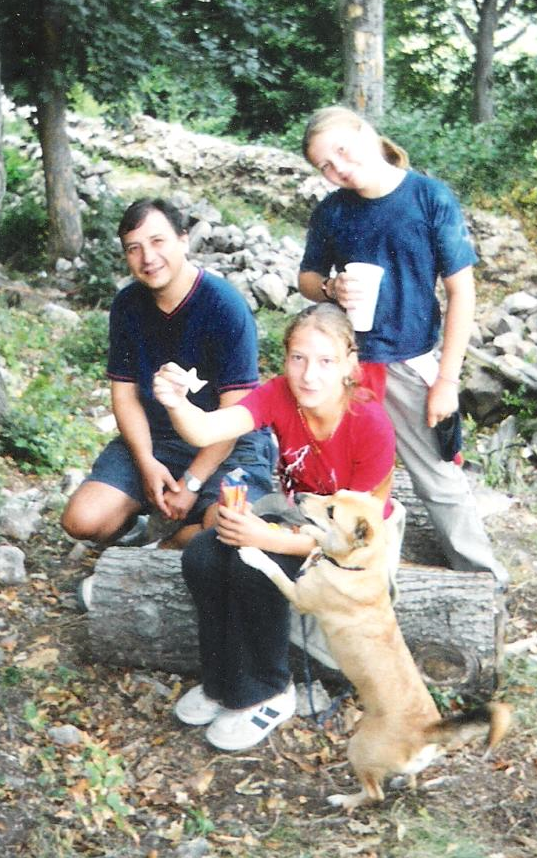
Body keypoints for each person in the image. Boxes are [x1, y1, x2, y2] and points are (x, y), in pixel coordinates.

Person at [152, 303, 396, 751]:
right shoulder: (281, 394)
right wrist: (176, 403)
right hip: (298, 517)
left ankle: (269, 690)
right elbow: (207, 430)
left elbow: (351, 542)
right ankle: (222, 680)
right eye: (298, 358)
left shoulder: (370, 425)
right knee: (204, 553)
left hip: (353, 546)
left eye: (325, 361)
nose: (309, 375)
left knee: (253, 564)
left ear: (349, 364)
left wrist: (266, 537)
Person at [297, 106, 508, 588]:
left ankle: (483, 578)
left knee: (438, 475)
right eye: (325, 165)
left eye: (342, 151)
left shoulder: (429, 197)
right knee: (340, 475)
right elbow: (307, 277)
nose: (339, 169)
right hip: (346, 367)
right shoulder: (333, 211)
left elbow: (462, 291)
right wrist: (329, 289)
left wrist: (447, 381)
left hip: (410, 363)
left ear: (366, 134)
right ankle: (342, 573)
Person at [61, 198, 274, 550]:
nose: (148, 257)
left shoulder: (224, 306)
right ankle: (143, 523)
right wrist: (146, 462)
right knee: (82, 521)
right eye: (134, 248)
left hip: (225, 441)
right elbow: (124, 394)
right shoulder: (128, 305)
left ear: (183, 240)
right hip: (158, 437)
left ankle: (174, 539)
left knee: (228, 530)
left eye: (158, 241)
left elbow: (237, 412)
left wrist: (191, 483)